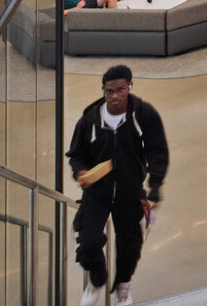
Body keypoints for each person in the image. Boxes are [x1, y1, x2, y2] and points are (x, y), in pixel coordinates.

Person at [69, 66, 169, 306]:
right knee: (89, 243)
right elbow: (76, 154)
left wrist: (155, 187)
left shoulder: (144, 115)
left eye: (120, 90)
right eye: (109, 91)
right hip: (96, 194)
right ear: (103, 91)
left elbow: (158, 152)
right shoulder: (89, 120)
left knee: (130, 246)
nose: (114, 95)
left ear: (130, 87)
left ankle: (123, 287)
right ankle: (97, 278)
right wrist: (80, 171)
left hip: (129, 193)